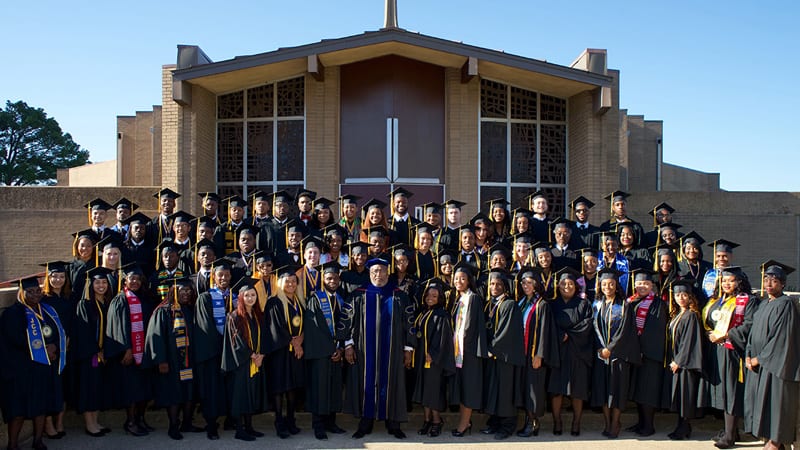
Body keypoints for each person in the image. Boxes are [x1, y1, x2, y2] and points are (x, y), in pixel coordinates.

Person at [343, 257, 415, 439]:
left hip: (393, 352)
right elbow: (346, 322)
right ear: (369, 273)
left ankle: (394, 423)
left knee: (393, 383)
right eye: (375, 271)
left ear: (388, 272)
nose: (379, 275)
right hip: (364, 351)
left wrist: (408, 349)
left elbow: (410, 324)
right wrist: (348, 344)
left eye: (382, 271)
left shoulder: (399, 295)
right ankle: (365, 423)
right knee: (365, 384)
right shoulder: (358, 294)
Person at [1, 276, 66, 450]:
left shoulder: (46, 310)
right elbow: (15, 339)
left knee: (40, 406)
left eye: (38, 291)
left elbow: (55, 333)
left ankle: (38, 441)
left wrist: (54, 348)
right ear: (21, 293)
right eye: (30, 291)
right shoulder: (13, 313)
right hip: (21, 369)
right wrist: (45, 348)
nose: (35, 294)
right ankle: (12, 444)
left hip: (42, 368)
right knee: (18, 410)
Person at [701, 266, 758, 449]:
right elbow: (710, 321)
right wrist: (710, 333)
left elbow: (749, 325)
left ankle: (730, 436)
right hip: (717, 350)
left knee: (731, 392)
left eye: (731, 280)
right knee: (724, 392)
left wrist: (725, 336)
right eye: (724, 280)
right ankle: (731, 430)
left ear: (739, 282)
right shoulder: (718, 301)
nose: (726, 283)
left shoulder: (747, 301)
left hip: (733, 352)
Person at [744, 261, 800, 450]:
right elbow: (752, 333)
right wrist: (748, 354)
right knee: (764, 404)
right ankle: (769, 439)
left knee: (777, 404)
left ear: (783, 284)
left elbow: (781, 338)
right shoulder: (763, 304)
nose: (769, 284)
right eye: (766, 279)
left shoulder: (786, 305)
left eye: (774, 281)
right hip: (760, 364)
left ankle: (776, 442)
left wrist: (758, 359)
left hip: (777, 366)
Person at [145, 277, 203, 440]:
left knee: (188, 391)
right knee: (174, 393)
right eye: (182, 290)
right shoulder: (163, 311)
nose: (186, 293)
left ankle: (187, 423)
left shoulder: (190, 309)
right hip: (171, 361)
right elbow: (155, 337)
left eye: (188, 290)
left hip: (188, 360)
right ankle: (173, 426)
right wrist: (161, 360)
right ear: (173, 291)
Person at [105, 264, 155, 437]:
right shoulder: (120, 300)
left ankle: (140, 419)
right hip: (129, 354)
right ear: (124, 280)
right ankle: (130, 422)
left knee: (144, 389)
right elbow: (117, 327)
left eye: (138, 279)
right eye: (131, 278)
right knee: (132, 390)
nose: (135, 281)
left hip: (144, 352)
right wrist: (126, 349)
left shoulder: (144, 298)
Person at [590, 268, 640, 439]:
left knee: (617, 391)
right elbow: (593, 329)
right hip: (600, 356)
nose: (607, 286)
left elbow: (625, 331)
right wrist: (600, 348)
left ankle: (615, 422)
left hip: (618, 356)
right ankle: (607, 422)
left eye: (611, 284)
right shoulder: (596, 304)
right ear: (600, 285)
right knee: (604, 390)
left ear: (616, 285)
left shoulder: (624, 306)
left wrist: (609, 348)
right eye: (604, 284)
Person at [303, 261, 349, 440]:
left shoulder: (341, 299)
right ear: (323, 279)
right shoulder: (315, 299)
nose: (333, 281)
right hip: (321, 353)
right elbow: (315, 328)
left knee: (334, 387)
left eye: (335, 278)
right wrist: (331, 349)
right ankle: (318, 425)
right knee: (319, 388)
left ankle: (331, 422)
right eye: (329, 278)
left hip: (336, 352)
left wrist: (340, 348)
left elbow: (345, 326)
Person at [548, 266, 594, 436]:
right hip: (558, 352)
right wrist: (560, 335)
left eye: (570, 284)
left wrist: (569, 334)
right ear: (558, 286)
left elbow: (588, 324)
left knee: (578, 390)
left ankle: (576, 422)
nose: (567, 286)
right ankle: (557, 421)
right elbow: (548, 326)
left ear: (576, 286)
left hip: (578, 352)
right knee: (556, 389)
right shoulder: (552, 305)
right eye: (563, 284)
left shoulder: (584, 304)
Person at [193, 259, 235, 439]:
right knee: (212, 389)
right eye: (220, 275)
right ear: (214, 277)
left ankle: (230, 420)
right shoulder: (205, 297)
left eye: (226, 275)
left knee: (230, 387)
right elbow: (205, 327)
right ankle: (211, 425)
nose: (224, 278)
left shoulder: (236, 296)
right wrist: (221, 346)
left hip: (233, 351)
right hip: (214, 352)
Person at [222, 278, 267, 441]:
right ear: (240, 297)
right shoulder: (234, 316)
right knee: (240, 396)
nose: (250, 298)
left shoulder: (257, 315)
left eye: (253, 295)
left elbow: (263, 337)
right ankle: (239, 430)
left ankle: (249, 427)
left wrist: (261, 354)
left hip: (255, 362)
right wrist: (252, 355)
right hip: (241, 363)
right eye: (246, 295)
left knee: (251, 395)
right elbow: (237, 342)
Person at [480, 268, 523, 440]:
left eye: (498, 284)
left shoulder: (509, 304)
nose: (494, 286)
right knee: (494, 390)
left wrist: (491, 349)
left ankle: (507, 426)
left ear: (505, 286)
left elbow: (506, 332)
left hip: (506, 356)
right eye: (492, 283)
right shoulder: (491, 303)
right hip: (494, 356)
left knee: (505, 392)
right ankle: (495, 423)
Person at [515, 267, 558, 438]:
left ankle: (533, 423)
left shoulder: (542, 305)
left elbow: (544, 333)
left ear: (536, 285)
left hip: (533, 355)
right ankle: (528, 421)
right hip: (522, 354)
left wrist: (539, 355)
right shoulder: (522, 302)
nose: (526, 285)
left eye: (530, 283)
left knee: (534, 390)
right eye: (524, 283)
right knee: (525, 388)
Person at [264, 264, 305, 438]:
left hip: (295, 352)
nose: (290, 284)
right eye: (287, 281)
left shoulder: (299, 301)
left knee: (292, 387)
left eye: (294, 281)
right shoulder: (274, 301)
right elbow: (275, 328)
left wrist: (301, 338)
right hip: (280, 352)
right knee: (280, 387)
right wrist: (294, 343)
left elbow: (304, 323)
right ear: (280, 282)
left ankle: (291, 420)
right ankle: (279, 422)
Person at [626, 268, 669, 437]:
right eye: (639, 283)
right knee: (638, 391)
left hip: (650, 355)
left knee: (647, 392)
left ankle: (649, 426)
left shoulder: (658, 304)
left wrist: (642, 350)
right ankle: (641, 422)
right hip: (636, 353)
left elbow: (655, 330)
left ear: (652, 285)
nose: (642, 286)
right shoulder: (633, 301)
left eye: (646, 283)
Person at [73, 266, 114, 437]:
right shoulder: (85, 304)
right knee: (89, 388)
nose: (101, 285)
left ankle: (96, 421)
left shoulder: (107, 303)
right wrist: (96, 351)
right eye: (97, 282)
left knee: (98, 388)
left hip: (104, 354)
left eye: (104, 282)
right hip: (90, 355)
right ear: (91, 285)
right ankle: (89, 424)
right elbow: (83, 332)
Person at [411, 281, 454, 438]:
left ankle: (437, 421)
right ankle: (427, 420)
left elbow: (444, 339)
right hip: (421, 358)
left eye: (434, 296)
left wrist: (434, 354)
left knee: (433, 392)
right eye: (428, 295)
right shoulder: (423, 312)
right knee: (424, 390)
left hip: (433, 361)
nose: (430, 298)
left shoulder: (442, 315)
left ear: (440, 298)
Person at [449, 263, 487, 437]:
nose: (459, 281)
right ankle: (466, 421)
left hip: (469, 352)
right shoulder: (459, 298)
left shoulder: (474, 299)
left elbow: (473, 329)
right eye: (456, 278)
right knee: (463, 388)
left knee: (468, 388)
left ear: (469, 280)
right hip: (459, 352)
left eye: (463, 278)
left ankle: (464, 424)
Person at [666, 278, 704, 440]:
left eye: (684, 295)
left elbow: (689, 341)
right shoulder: (678, 314)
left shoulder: (691, 316)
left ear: (690, 297)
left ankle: (684, 427)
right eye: (677, 295)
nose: (680, 298)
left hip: (686, 364)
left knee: (686, 396)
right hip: (677, 361)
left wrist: (679, 361)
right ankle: (681, 426)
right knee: (681, 396)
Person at [39, 260, 73, 439]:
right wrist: (50, 342)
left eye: (61, 276)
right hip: (50, 351)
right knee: (50, 387)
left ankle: (60, 422)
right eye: (54, 276)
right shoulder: (43, 301)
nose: (58, 280)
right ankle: (48, 424)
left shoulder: (68, 298)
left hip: (66, 350)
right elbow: (43, 326)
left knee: (64, 387)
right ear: (48, 278)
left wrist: (69, 339)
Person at [677, 231, 712, 305]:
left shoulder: (708, 266)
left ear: (699, 250)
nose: (692, 251)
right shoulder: (678, 266)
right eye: (688, 248)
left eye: (695, 248)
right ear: (683, 250)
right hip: (687, 303)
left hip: (705, 301)